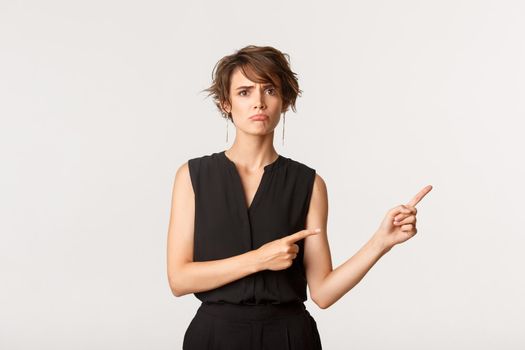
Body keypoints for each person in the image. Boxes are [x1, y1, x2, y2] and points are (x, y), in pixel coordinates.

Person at [166, 45, 432, 349]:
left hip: (289, 337)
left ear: (284, 101)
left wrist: (381, 243)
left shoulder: (309, 183)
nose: (258, 103)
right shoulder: (191, 176)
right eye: (244, 92)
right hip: (213, 337)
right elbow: (179, 279)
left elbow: (323, 292)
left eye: (269, 90)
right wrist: (259, 259)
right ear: (226, 103)